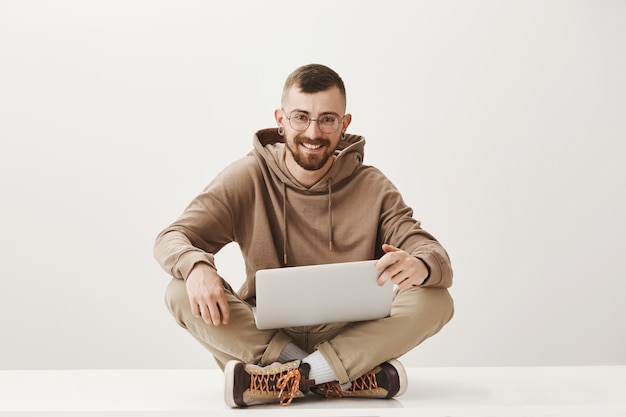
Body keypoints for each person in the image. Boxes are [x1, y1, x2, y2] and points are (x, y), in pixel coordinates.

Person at [154, 63, 454, 408]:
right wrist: (195, 266)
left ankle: (284, 380)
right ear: (281, 120)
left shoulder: (372, 186)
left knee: (436, 298)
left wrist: (419, 264)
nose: (313, 132)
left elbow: (432, 252)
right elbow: (172, 236)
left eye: (327, 119)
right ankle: (335, 379)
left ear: (344, 125)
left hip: (351, 338)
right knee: (179, 290)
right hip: (265, 337)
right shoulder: (247, 176)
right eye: (301, 117)